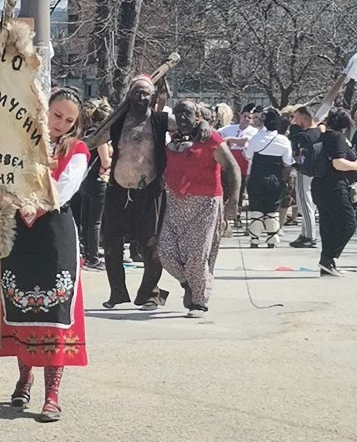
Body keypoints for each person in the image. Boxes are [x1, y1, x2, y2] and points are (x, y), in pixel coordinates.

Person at [0, 88, 90, 423]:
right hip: (18, 231)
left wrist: (33, 202)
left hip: (54, 232)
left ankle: (52, 395)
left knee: (54, 312)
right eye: (57, 115)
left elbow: (63, 190)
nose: (61, 125)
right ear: (45, 110)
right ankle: (24, 378)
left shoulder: (78, 150)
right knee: (19, 306)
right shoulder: (19, 141)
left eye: (69, 120)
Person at [159, 100, 241, 314]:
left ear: (197, 116)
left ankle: (199, 301)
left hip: (205, 203)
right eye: (178, 114)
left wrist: (233, 201)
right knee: (165, 252)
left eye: (186, 114)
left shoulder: (210, 137)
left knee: (197, 256)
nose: (181, 118)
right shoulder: (173, 137)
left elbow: (233, 168)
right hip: (175, 203)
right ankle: (188, 284)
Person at [100, 76, 171, 311]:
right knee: (111, 243)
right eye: (137, 92)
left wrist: (201, 126)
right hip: (118, 189)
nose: (141, 97)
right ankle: (117, 293)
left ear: (152, 98)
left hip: (149, 191)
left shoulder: (160, 121)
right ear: (129, 95)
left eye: (146, 93)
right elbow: (95, 139)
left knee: (151, 244)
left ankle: (150, 294)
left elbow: (186, 126)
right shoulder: (118, 122)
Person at [312, 108, 357, 276]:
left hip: (320, 185)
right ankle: (328, 258)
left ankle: (327, 264)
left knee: (328, 226)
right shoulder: (337, 137)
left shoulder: (323, 135)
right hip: (334, 186)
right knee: (348, 223)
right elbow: (338, 163)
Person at [244, 108, 294, 248]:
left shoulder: (255, 138)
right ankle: (272, 238)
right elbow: (287, 162)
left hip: (257, 177)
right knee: (272, 208)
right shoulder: (283, 140)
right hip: (275, 178)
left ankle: (254, 239)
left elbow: (247, 156)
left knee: (256, 207)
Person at [80, 99, 112, 271]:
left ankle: (86, 254)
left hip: (85, 180)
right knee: (95, 222)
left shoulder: (88, 133)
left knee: (86, 219)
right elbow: (105, 161)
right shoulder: (101, 137)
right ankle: (93, 258)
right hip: (98, 182)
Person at [219, 103, 258, 224]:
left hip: (243, 166)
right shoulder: (228, 129)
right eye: (245, 116)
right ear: (240, 116)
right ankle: (222, 215)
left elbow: (244, 142)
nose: (246, 119)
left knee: (239, 191)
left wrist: (229, 139)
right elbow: (218, 137)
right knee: (225, 189)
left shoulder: (254, 131)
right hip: (227, 164)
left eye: (249, 117)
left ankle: (237, 215)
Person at [289, 105, 320, 248]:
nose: (295, 121)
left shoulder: (305, 136)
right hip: (317, 172)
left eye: (297, 117)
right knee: (310, 204)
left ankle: (310, 236)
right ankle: (305, 233)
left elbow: (298, 155)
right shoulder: (320, 132)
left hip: (306, 171)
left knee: (305, 204)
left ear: (304, 118)